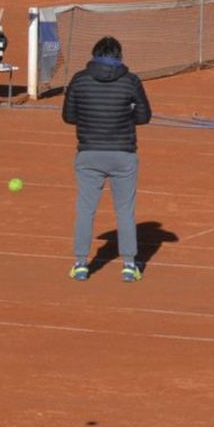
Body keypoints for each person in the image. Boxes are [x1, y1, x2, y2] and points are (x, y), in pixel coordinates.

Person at [62, 36, 152, 281]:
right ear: (119, 56)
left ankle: (81, 264)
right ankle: (129, 266)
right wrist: (124, 116)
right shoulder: (131, 81)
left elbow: (69, 116)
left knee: (85, 209)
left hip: (88, 153)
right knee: (125, 211)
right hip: (123, 154)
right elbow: (144, 117)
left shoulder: (79, 80)